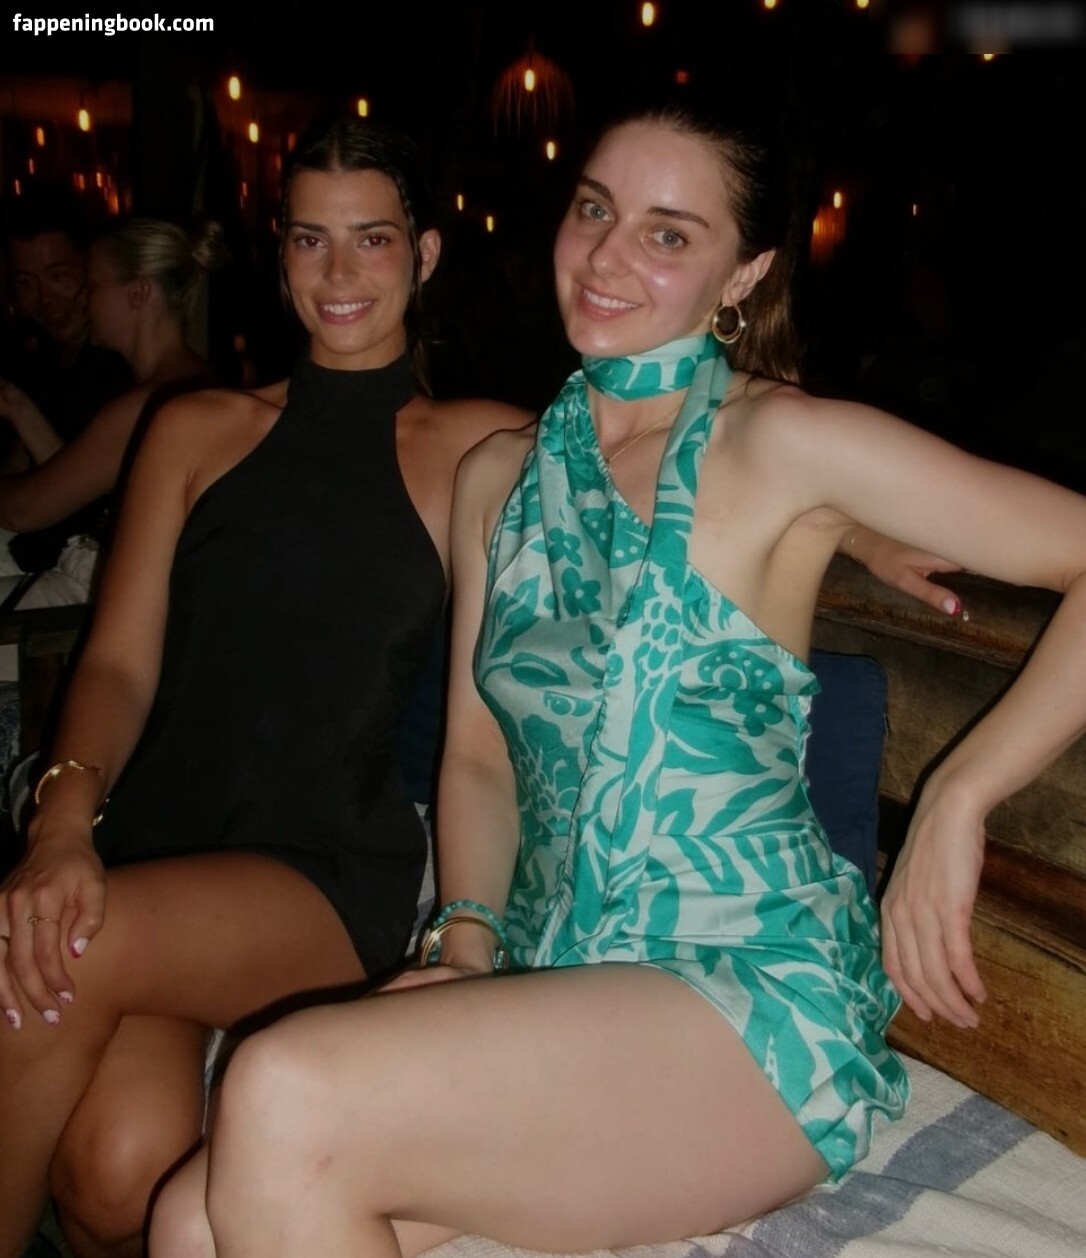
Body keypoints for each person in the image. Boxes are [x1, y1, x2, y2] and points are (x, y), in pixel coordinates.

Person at [147, 100, 1086, 1258]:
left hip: (743, 994)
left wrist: (957, 796)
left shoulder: (780, 444)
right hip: (557, 977)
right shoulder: (497, 476)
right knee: (188, 1220)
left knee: (280, 1084)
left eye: (668, 233)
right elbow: (479, 761)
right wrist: (464, 946)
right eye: (596, 210)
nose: (606, 255)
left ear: (744, 274)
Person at [0, 119, 525, 1258]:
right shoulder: (194, 427)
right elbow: (119, 661)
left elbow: (673, 452)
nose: (338, 273)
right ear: (278, 252)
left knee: (54, 948)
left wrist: (857, 524)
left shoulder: (478, 444)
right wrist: (62, 824)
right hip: (155, 847)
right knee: (115, 1174)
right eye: (309, 239)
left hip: (323, 872)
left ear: (425, 253)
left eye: (372, 238)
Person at [0, 216, 226, 612]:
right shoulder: (201, 383)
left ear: (138, 293)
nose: (84, 299)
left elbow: (26, 509)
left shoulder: (147, 405)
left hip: (129, 599)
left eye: (93, 285)